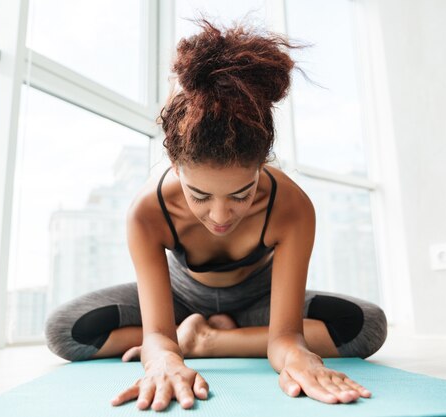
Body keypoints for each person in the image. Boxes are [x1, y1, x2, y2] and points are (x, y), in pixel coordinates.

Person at [44, 20, 388, 411]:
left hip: (259, 298)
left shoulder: (292, 207)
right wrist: (165, 357)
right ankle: (194, 334)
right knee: (65, 331)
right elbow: (156, 335)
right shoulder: (147, 212)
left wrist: (297, 357)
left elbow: (286, 337)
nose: (220, 214)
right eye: (200, 195)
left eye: (242, 193)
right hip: (180, 299)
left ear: (263, 164)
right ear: (175, 166)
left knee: (366, 327)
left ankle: (207, 340)